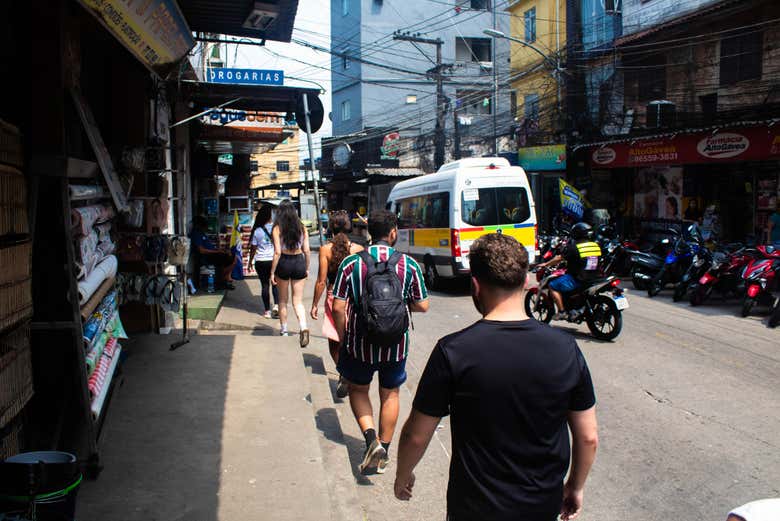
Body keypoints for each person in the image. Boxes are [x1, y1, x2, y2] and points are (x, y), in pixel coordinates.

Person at [394, 233, 598, 521]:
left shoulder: (453, 351)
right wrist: (575, 486)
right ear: (525, 281)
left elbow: (416, 435)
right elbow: (588, 437)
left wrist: (403, 474)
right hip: (542, 506)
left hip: (474, 508)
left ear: (475, 285)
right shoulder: (566, 348)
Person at [331, 210, 429, 475]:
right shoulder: (408, 264)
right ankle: (383, 449)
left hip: (359, 344)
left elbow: (338, 307)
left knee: (358, 390)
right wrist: (399, 304)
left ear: (368, 232)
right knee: (391, 394)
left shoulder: (351, 263)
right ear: (393, 232)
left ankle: (370, 440)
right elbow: (423, 305)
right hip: (395, 345)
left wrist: (343, 337)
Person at [310, 211, 363, 397]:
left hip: (334, 298)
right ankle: (350, 373)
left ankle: (344, 372)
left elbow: (321, 281)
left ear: (330, 228)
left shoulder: (325, 249)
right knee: (351, 338)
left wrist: (314, 304)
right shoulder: (358, 249)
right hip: (354, 298)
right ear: (348, 227)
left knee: (335, 342)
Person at [538, 222, 602, 320]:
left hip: (579, 279)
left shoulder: (574, 247)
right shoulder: (595, 245)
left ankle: (562, 312)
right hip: (595, 277)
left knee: (552, 285)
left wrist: (546, 264)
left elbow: (559, 258)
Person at [270, 200, 311, 345]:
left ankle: (284, 330)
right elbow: (307, 250)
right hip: (299, 261)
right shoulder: (302, 227)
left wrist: (272, 272)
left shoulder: (277, 228)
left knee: (282, 300)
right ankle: (303, 327)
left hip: (284, 262)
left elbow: (277, 252)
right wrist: (306, 268)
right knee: (298, 301)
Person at [190, 215, 237, 290]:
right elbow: (201, 250)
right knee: (229, 258)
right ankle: (222, 280)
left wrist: (220, 250)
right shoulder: (196, 234)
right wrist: (217, 251)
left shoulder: (202, 233)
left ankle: (224, 279)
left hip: (212, 254)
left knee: (232, 257)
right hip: (206, 257)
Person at [249, 205, 279, 319]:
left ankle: (267, 311)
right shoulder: (276, 228)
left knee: (264, 285)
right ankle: (276, 306)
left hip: (261, 261)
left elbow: (253, 248)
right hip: (273, 260)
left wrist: (250, 262)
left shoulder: (257, 230)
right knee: (275, 283)